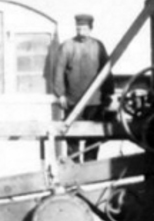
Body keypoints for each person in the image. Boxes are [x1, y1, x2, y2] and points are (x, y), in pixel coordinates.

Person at [49, 13, 114, 161]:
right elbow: (58, 70)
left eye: (84, 28)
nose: (81, 32)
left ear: (90, 29)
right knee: (72, 136)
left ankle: (90, 166)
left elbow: (106, 70)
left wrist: (108, 93)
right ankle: (73, 166)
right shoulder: (67, 46)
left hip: (95, 101)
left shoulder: (98, 46)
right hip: (73, 100)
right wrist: (60, 94)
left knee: (94, 135)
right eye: (78, 28)